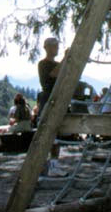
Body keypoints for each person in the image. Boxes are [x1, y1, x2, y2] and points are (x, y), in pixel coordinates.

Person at [37, 37, 67, 177]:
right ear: (46, 47)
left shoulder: (57, 64)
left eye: (57, 46)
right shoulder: (43, 64)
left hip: (57, 99)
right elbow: (54, 74)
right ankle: (41, 165)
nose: (57, 48)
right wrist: (65, 59)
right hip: (48, 100)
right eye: (54, 46)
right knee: (47, 133)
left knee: (56, 133)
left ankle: (54, 165)